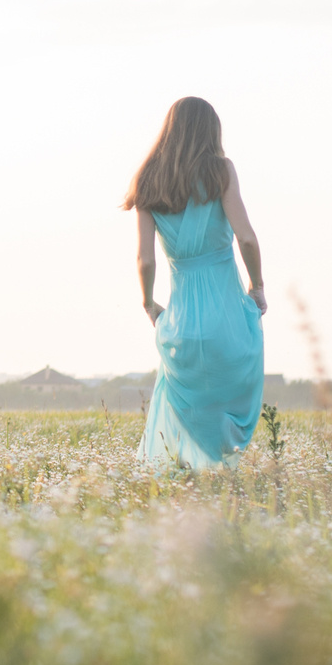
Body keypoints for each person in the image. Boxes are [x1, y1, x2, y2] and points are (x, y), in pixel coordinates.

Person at [126, 96, 267, 468]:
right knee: (233, 396)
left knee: (181, 402)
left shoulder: (147, 180)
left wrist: (148, 303)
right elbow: (247, 238)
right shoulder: (220, 171)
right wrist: (258, 287)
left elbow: (145, 259)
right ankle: (223, 472)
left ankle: (184, 480)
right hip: (227, 317)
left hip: (182, 321)